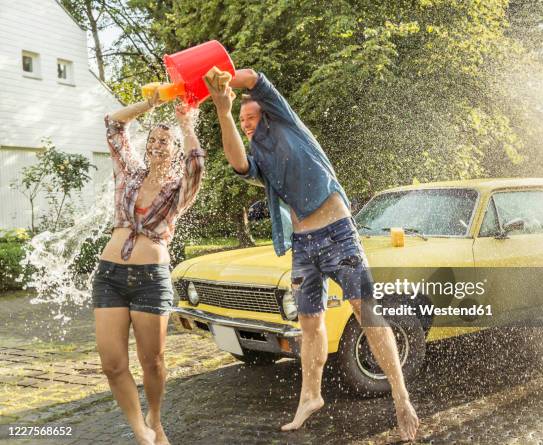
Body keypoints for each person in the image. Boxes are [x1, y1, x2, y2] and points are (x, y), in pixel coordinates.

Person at [205, 68, 419, 441]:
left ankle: (401, 394)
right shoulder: (259, 153)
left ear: (269, 113)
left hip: (338, 234)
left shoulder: (287, 122)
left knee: (364, 308)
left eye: (251, 117)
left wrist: (224, 78)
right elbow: (239, 164)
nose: (248, 125)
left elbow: (254, 78)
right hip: (303, 246)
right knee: (309, 322)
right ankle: (311, 396)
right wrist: (224, 112)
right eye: (244, 121)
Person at [92, 90, 205, 445]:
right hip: (109, 276)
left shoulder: (178, 188)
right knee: (112, 364)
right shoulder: (129, 172)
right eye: (153, 139)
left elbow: (197, 163)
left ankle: (155, 417)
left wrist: (185, 125)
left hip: (149, 281)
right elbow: (113, 124)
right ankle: (140, 429)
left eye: (165, 142)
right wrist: (150, 104)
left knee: (152, 361)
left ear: (173, 152)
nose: (157, 144)